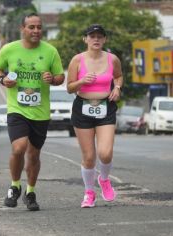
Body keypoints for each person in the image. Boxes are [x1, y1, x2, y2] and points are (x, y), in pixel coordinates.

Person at [0, 13, 65, 211]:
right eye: (31, 27)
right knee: (19, 148)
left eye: (39, 27)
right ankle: (14, 186)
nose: (36, 31)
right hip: (17, 109)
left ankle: (30, 192)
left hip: (40, 112)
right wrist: (3, 79)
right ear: (22, 29)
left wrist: (53, 79)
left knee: (33, 155)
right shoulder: (9, 49)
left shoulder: (50, 51)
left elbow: (61, 77)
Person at [66, 24, 123, 208]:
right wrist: (82, 81)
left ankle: (104, 179)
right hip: (82, 108)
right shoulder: (77, 60)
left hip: (106, 107)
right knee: (89, 157)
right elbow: (69, 88)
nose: (96, 39)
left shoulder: (112, 59)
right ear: (85, 39)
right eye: (92, 36)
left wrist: (117, 87)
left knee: (105, 153)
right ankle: (89, 193)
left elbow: (119, 76)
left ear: (105, 39)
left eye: (100, 36)